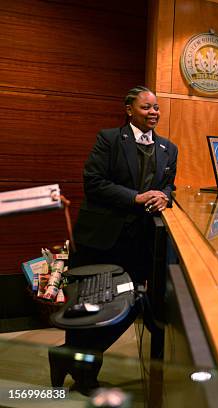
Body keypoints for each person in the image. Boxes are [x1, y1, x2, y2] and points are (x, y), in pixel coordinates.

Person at [49, 86, 178, 394]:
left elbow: (169, 187)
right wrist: (135, 198)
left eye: (156, 107)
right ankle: (85, 377)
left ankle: (69, 358)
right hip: (102, 238)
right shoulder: (108, 139)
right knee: (89, 309)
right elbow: (93, 183)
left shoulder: (169, 148)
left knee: (130, 305)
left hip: (140, 244)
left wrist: (164, 196)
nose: (153, 113)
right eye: (146, 107)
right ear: (129, 109)